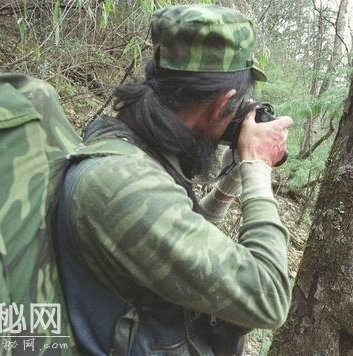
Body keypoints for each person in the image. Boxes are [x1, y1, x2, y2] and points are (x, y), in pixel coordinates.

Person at [56, 4, 293, 355]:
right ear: (222, 103)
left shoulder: (128, 146)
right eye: (238, 103)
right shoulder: (124, 186)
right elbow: (269, 297)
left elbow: (181, 235)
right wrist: (257, 167)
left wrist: (231, 182)